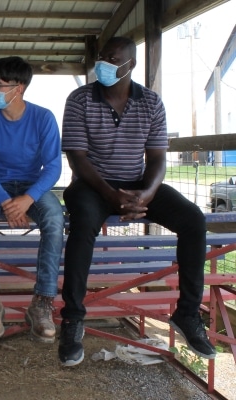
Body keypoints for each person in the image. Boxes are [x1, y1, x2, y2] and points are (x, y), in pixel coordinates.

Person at [59, 36, 216, 366]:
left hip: (137, 183)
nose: (103, 63)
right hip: (91, 184)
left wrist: (146, 193)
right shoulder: (80, 99)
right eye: (102, 56)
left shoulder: (151, 103)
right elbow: (77, 157)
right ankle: (73, 318)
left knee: (193, 219)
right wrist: (109, 195)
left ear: (130, 65)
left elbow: (157, 157)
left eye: (112, 59)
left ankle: (187, 314)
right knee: (83, 222)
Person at [0, 56, 64, 343]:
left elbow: (54, 167)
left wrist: (27, 199)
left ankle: (42, 303)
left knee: (55, 218)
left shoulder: (43, 117)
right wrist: (4, 201)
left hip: (31, 186)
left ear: (18, 88)